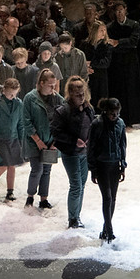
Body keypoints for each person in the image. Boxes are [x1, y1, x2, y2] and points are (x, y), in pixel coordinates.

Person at [51, 75, 97, 228]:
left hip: (84, 153)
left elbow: (92, 127)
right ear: (70, 94)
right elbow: (56, 133)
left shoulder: (89, 108)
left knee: (82, 184)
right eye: (78, 95)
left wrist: (90, 139)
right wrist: (73, 140)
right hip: (70, 153)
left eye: (83, 93)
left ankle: (77, 216)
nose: (81, 97)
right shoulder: (62, 111)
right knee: (76, 184)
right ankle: (72, 219)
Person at [88, 97, 127, 242]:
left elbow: (123, 145)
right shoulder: (97, 124)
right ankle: (109, 230)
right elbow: (91, 147)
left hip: (115, 165)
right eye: (112, 113)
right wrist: (92, 169)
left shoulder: (120, 123)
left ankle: (105, 229)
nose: (115, 116)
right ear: (105, 111)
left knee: (113, 199)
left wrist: (123, 165)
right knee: (107, 197)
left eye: (117, 113)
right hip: (102, 165)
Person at [21, 69, 61, 209]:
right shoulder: (29, 98)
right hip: (34, 141)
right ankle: (30, 196)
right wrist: (37, 140)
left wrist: (55, 142)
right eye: (50, 85)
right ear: (41, 83)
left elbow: (63, 119)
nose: (53, 88)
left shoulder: (57, 98)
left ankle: (44, 199)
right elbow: (26, 121)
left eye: (54, 85)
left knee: (47, 170)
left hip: (50, 142)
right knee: (37, 169)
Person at [0, 78, 26, 201]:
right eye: (10, 94)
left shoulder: (19, 103)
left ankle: (10, 191)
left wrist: (21, 140)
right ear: (4, 91)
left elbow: (20, 123)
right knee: (4, 165)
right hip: (0, 139)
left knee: (12, 166)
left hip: (13, 139)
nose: (12, 96)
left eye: (15, 94)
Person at [106, 0, 140, 126]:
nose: (119, 13)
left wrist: (118, 43)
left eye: (121, 10)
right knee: (118, 89)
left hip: (130, 62)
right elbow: (110, 44)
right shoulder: (110, 27)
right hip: (116, 63)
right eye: (117, 11)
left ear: (125, 10)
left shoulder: (134, 24)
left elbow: (134, 41)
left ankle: (134, 118)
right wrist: (121, 44)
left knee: (132, 90)